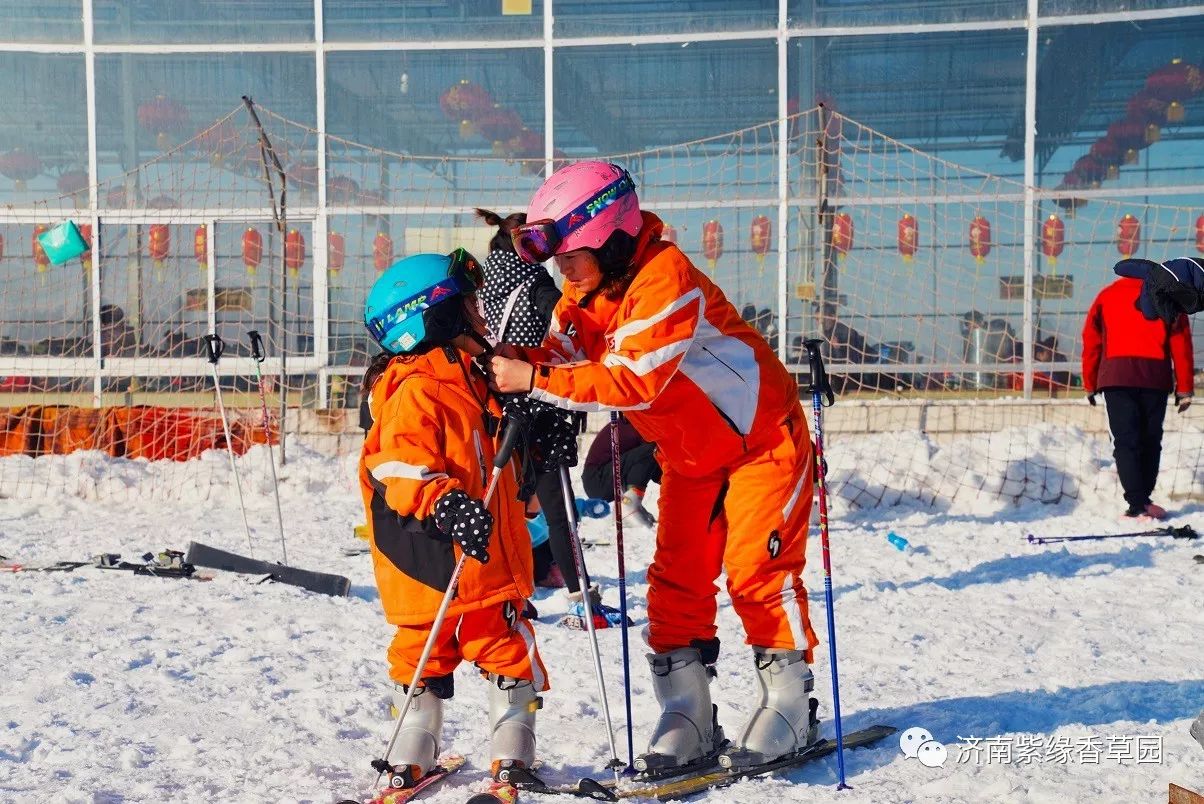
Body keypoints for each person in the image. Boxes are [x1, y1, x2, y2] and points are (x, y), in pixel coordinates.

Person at [486, 161, 821, 770]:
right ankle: (688, 711)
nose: (564, 268)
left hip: (760, 442)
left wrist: (535, 379)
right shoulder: (586, 293)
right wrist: (517, 357)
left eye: (572, 255)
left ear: (611, 234)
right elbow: (564, 351)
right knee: (675, 585)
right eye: (557, 259)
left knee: (756, 573)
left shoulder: (668, 279)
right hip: (693, 459)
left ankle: (790, 703)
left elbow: (635, 379)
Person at [358, 249, 548, 788]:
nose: (481, 313)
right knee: (422, 648)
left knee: (504, 644)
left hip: (483, 558)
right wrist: (441, 499)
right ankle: (412, 746)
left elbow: (499, 454)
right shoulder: (413, 388)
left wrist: (540, 433)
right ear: (435, 316)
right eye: (468, 303)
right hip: (427, 556)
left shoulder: (473, 377)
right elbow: (397, 463)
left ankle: (514, 744)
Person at [474, 207, 626, 627]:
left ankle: (512, 593)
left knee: (508, 504)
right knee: (558, 509)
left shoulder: (490, 281)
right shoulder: (535, 283)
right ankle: (581, 599)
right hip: (540, 403)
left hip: (498, 405)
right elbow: (569, 331)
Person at [1082, 269, 1194, 520]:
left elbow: (1092, 341)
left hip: (1117, 377)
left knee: (1125, 440)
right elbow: (1181, 342)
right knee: (1151, 439)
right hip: (1155, 376)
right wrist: (1184, 387)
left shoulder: (1106, 296)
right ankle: (1143, 499)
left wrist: (1090, 382)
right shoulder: (1168, 296)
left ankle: (1137, 503)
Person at [580, 415, 660, 529]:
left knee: (651, 450)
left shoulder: (636, 422)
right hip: (598, 479)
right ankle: (629, 505)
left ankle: (631, 504)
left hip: (600, 480)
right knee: (654, 448)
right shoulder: (639, 424)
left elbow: (650, 467)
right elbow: (654, 460)